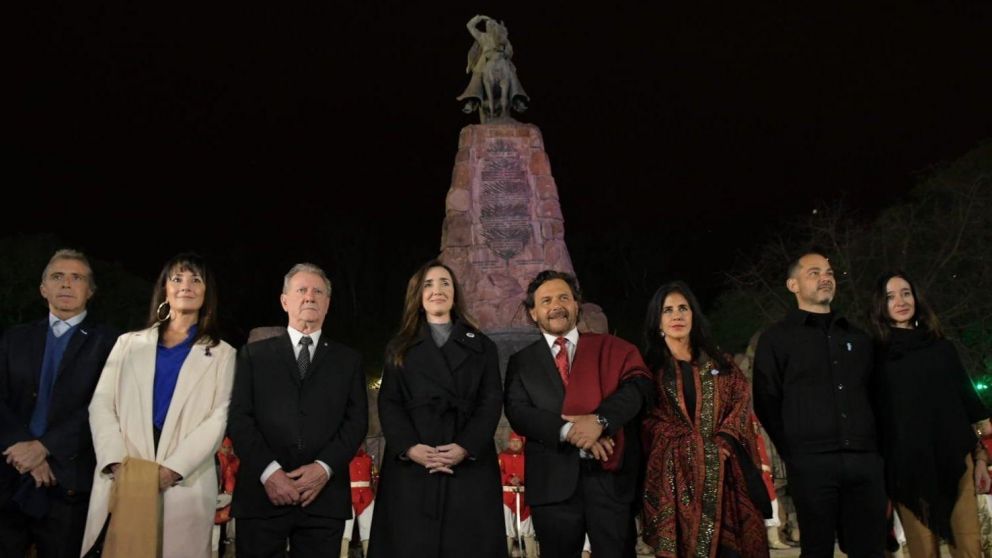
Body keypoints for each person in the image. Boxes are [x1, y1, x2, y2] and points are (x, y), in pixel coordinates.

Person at [82, 252, 236, 557]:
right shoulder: (128, 344)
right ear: (164, 288)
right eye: (177, 278)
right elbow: (101, 404)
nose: (186, 286)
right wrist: (115, 461)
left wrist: (173, 469)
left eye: (196, 279)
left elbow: (219, 417)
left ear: (207, 293)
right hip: (125, 474)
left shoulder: (223, 353)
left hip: (183, 482)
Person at [504, 270, 654, 558]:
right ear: (533, 313)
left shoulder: (612, 348)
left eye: (564, 297)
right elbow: (518, 412)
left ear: (576, 305)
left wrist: (600, 421)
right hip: (553, 487)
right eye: (546, 300)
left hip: (610, 480)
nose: (556, 305)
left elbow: (638, 387)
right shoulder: (521, 362)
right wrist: (572, 431)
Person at [228, 262, 368, 558]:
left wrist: (323, 468)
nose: (309, 297)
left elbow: (356, 423)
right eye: (301, 290)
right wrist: (270, 473)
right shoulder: (253, 356)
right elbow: (239, 419)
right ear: (285, 300)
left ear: (328, 304)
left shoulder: (349, 360)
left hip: (323, 499)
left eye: (318, 291)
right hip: (262, 496)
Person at [753, 249, 887, 557]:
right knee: (816, 549)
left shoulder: (858, 337)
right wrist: (794, 452)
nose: (825, 278)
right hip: (811, 463)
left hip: (864, 460)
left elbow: (877, 396)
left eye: (828, 272)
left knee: (870, 549)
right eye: (814, 273)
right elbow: (766, 400)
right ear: (793, 285)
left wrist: (876, 453)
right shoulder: (776, 339)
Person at [367, 260, 504, 558]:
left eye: (445, 283)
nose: (437, 290)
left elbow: (490, 402)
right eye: (428, 284)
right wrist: (410, 447)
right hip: (414, 464)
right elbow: (389, 402)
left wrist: (465, 447)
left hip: (468, 465)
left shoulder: (482, 346)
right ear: (417, 295)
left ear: (455, 294)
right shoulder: (398, 347)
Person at [0, 249, 118, 558]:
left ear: (90, 291)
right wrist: (21, 446)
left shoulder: (112, 343)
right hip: (9, 477)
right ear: (43, 289)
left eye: (76, 277)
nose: (66, 284)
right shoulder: (14, 338)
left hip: (68, 483)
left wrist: (44, 448)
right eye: (57, 277)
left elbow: (104, 406)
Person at [640, 281, 770, 558]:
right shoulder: (647, 370)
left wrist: (723, 440)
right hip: (675, 483)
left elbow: (740, 400)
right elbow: (646, 421)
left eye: (683, 308)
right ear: (657, 321)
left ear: (694, 315)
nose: (677, 316)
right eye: (668, 310)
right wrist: (687, 443)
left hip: (726, 478)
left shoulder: (720, 365)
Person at [868, 270, 991, 558]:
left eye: (906, 293)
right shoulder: (876, 357)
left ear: (917, 298)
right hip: (907, 468)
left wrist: (981, 458)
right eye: (890, 296)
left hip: (955, 461)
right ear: (879, 305)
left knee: (969, 548)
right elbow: (876, 418)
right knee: (924, 551)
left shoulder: (942, 348)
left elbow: (967, 406)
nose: (900, 301)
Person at [456, 14, 529, 120]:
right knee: (477, 74)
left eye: (492, 24)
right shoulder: (482, 36)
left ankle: (516, 98)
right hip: (486, 60)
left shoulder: (501, 36)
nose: (489, 26)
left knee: (512, 72)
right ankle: (473, 99)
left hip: (501, 59)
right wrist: (479, 18)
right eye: (487, 24)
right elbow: (469, 26)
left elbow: (510, 50)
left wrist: (505, 52)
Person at [499, 431, 537, 558]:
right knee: (508, 529)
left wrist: (521, 479)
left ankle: (531, 555)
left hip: (525, 496)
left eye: (517, 441)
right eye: (512, 441)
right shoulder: (502, 456)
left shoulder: (529, 457)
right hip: (507, 497)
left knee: (528, 528)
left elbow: (534, 473)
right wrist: (509, 479)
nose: (514, 444)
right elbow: (498, 473)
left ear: (522, 442)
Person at [341, 446, 375, 558]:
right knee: (345, 530)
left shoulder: (369, 459)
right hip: (347, 496)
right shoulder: (342, 458)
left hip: (367, 497)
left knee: (368, 530)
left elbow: (373, 477)